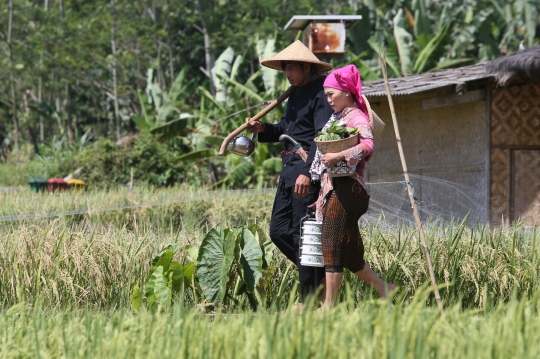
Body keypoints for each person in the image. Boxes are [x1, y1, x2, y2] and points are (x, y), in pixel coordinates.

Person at [246, 41, 334, 304]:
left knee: (302, 234)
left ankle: (308, 298)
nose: (287, 73)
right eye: (285, 68)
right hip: (289, 171)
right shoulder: (294, 93)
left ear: (307, 67)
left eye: (292, 67)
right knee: (278, 231)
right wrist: (264, 129)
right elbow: (287, 127)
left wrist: (308, 173)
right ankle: (318, 278)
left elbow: (323, 136)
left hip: (306, 173)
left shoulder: (321, 94)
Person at [309, 64, 396, 310]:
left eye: (331, 94)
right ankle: (384, 288)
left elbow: (368, 145)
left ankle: (329, 305)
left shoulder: (356, 116)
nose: (328, 100)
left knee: (331, 242)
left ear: (346, 91)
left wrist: (339, 156)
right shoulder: (338, 118)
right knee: (350, 251)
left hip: (349, 189)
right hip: (336, 190)